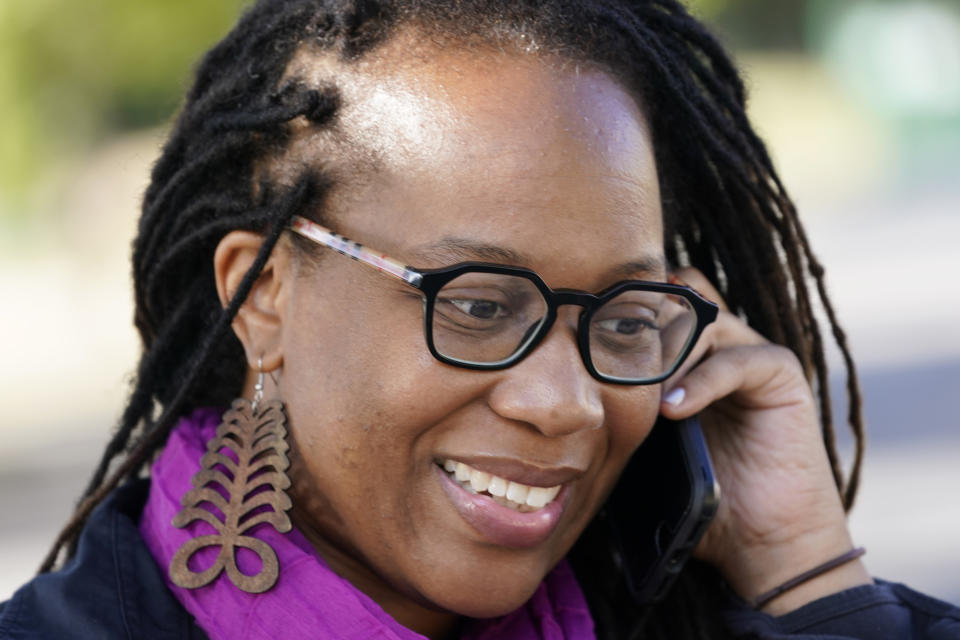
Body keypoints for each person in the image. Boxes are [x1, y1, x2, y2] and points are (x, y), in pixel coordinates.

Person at [2, 1, 958, 638]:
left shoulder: (680, 613)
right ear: (263, 295)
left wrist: (808, 580)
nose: (567, 404)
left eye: (623, 318)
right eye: (478, 305)